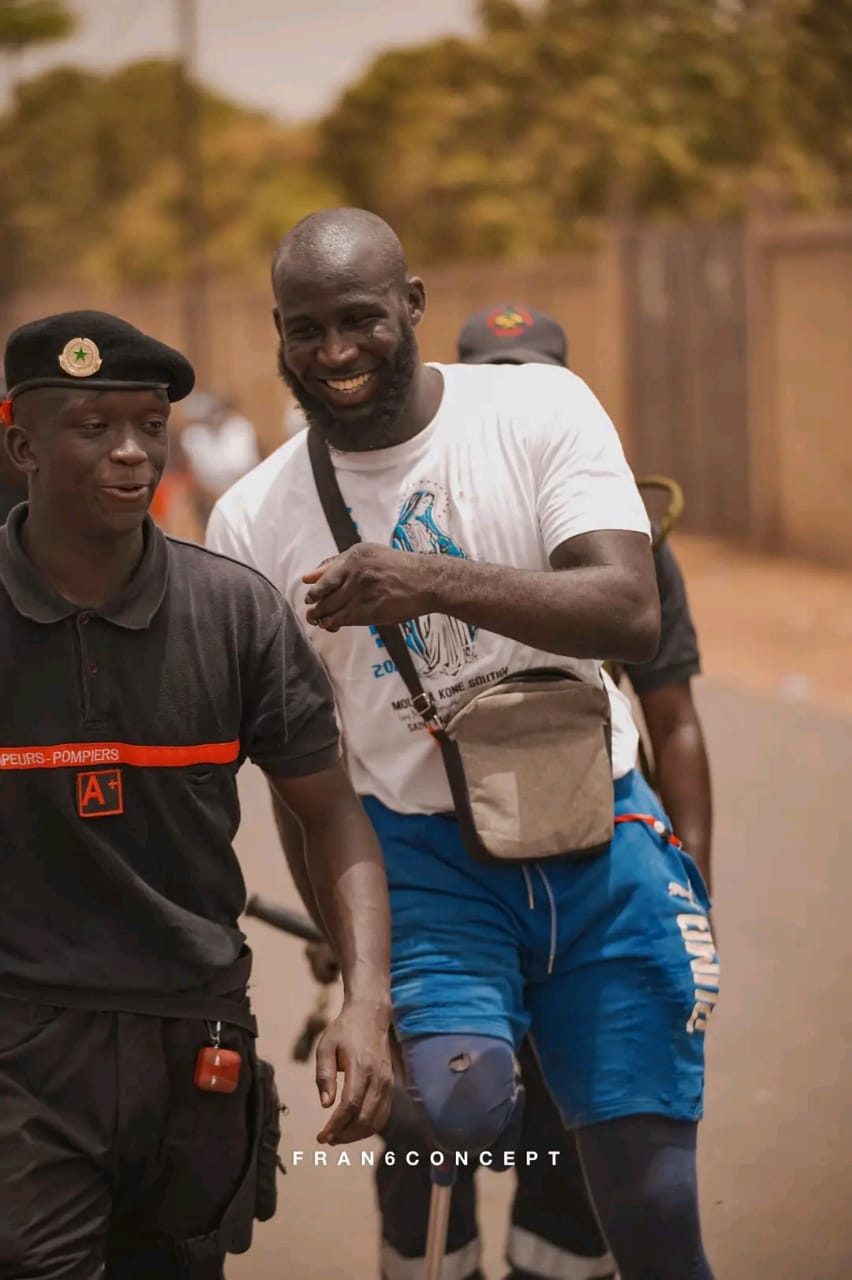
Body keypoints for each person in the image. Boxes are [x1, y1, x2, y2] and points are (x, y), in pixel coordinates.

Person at [206, 208, 720, 1280]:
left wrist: (422, 576)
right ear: (276, 332)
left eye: (360, 319)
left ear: (415, 304)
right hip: (424, 861)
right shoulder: (254, 520)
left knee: (652, 1201)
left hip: (599, 826)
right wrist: (358, 976)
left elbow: (629, 609)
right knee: (459, 1098)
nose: (336, 353)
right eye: (306, 330)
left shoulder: (536, 407)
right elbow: (302, 781)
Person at [0, 310, 394, 1280]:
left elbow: (330, 808)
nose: (133, 452)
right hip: (22, 1045)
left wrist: (367, 996)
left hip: (196, 1041)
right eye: (94, 426)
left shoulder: (233, 611)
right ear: (21, 442)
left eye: (148, 423)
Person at [352, 302, 713, 1279]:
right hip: (440, 885)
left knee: (584, 1188)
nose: (516, 388)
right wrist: (355, 954)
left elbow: (672, 721)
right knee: (438, 1132)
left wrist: (691, 896)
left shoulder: (616, 542)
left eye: (535, 372)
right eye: (492, 372)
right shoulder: (397, 535)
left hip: (589, 871)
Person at [180, 391, 261, 523]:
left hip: (242, 493)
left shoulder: (240, 428)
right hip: (209, 498)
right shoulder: (194, 436)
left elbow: (242, 465)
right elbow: (199, 473)